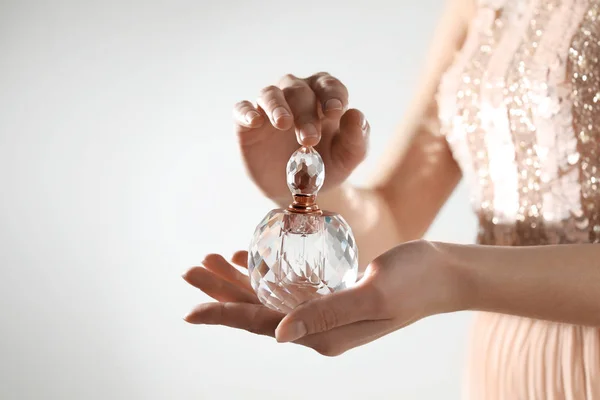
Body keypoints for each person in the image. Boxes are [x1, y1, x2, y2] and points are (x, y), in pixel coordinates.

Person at [182, 0, 600, 397]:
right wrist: (317, 192)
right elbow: (396, 220)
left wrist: (454, 276)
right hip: (507, 362)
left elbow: (440, 269)